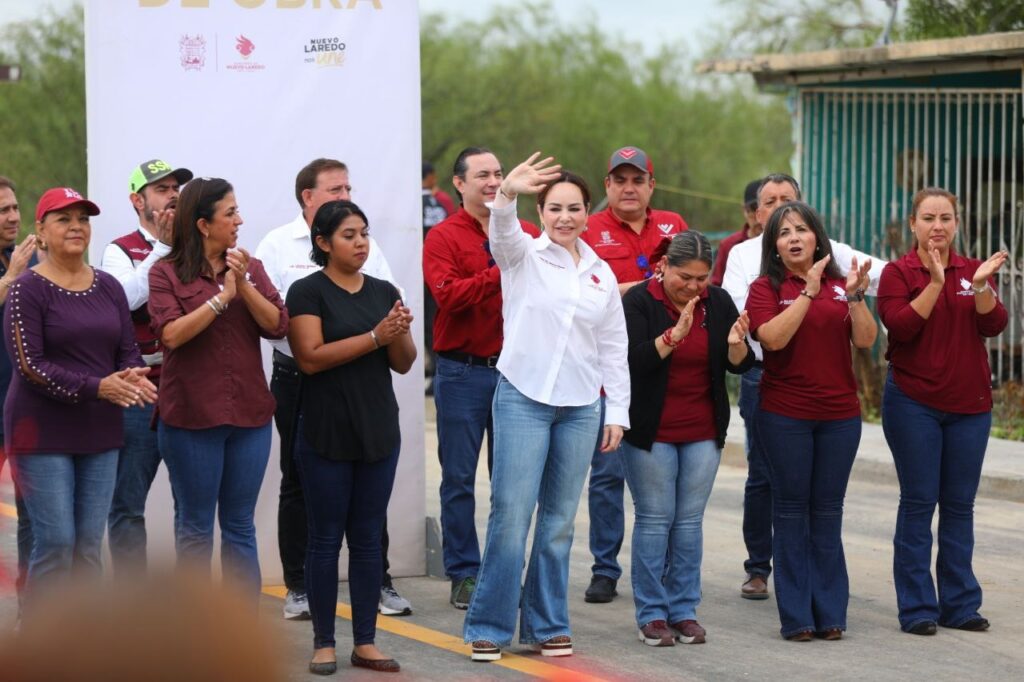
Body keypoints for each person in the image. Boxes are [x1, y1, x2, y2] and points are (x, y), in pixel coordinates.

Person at [463, 155, 629, 662]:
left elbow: (613, 348)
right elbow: (503, 230)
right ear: (541, 211)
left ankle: (547, 624)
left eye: (574, 209)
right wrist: (506, 193)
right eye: (554, 208)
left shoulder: (601, 274)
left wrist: (617, 412)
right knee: (511, 515)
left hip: (580, 408)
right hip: (523, 398)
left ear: (587, 213)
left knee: (558, 522)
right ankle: (488, 626)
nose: (565, 217)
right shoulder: (522, 256)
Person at [255, 158, 409, 620]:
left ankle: (377, 580)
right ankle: (299, 587)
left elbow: (400, 350)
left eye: (348, 188)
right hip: (300, 381)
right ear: (309, 197)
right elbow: (294, 335)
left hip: (368, 389)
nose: (345, 195)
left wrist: (394, 329)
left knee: (367, 502)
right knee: (299, 483)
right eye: (335, 189)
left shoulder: (377, 276)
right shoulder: (281, 248)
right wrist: (375, 336)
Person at [721, 173, 883, 600]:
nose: (791, 232)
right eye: (772, 206)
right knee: (770, 486)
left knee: (826, 509)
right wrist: (807, 294)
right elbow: (767, 337)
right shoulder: (752, 270)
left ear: (817, 236)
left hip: (836, 413)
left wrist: (855, 297)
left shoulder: (837, 277)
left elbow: (865, 339)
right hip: (772, 391)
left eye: (796, 216)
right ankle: (765, 575)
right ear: (760, 219)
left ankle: (829, 609)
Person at [4, 187, 156, 617]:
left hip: (99, 430)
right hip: (41, 431)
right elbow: (30, 366)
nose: (76, 226)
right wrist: (100, 388)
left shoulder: (107, 287)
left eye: (83, 219)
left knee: (88, 546)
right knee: (56, 542)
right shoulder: (27, 289)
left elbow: (127, 348)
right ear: (42, 231)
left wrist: (131, 375)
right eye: (63, 219)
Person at [287, 199, 416, 675]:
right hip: (326, 432)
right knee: (324, 540)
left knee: (366, 542)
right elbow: (310, 357)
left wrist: (397, 331)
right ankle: (324, 643)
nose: (360, 242)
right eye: (348, 234)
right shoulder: (307, 291)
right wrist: (376, 336)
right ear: (323, 243)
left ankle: (366, 642)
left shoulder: (384, 290)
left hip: (378, 430)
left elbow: (403, 361)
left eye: (364, 233)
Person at [148, 177, 287, 603]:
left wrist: (241, 285)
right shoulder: (165, 272)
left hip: (250, 417)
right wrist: (221, 299)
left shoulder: (249, 267)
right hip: (191, 418)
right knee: (195, 528)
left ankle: (239, 635)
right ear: (204, 224)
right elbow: (171, 335)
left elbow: (278, 324)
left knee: (240, 524)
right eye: (230, 213)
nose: (239, 220)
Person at [877, 188, 1008, 636]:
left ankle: (961, 605)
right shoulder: (898, 272)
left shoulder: (973, 270)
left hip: (969, 407)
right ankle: (917, 608)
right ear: (913, 223)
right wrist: (934, 283)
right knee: (918, 502)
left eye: (946, 218)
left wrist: (984, 286)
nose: (938, 226)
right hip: (914, 403)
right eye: (928, 218)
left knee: (959, 506)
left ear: (957, 223)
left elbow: (993, 323)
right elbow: (902, 327)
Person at [621, 231, 754, 647]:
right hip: (651, 429)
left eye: (702, 278)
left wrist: (736, 346)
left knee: (689, 523)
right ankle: (652, 614)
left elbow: (740, 364)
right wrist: (672, 337)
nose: (695, 286)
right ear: (663, 267)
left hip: (702, 429)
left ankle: (683, 610)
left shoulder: (718, 303)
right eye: (685, 277)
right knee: (656, 519)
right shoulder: (639, 302)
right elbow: (631, 361)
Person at [422, 147, 539, 610]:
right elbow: (448, 297)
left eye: (498, 174)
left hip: (514, 371)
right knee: (459, 478)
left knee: (511, 481)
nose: (493, 182)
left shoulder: (527, 232)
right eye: (483, 175)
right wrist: (502, 269)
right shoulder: (442, 238)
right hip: (463, 371)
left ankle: (504, 569)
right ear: (459, 183)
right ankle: (464, 573)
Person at [580, 146, 688, 604]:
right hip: (607, 370)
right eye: (619, 180)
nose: (629, 188)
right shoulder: (588, 229)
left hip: (664, 369)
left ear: (651, 185)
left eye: (637, 180)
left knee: (664, 478)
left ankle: (663, 566)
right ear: (607, 186)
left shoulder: (673, 226)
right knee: (607, 475)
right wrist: (643, 289)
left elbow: (690, 283)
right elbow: (585, 292)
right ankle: (605, 567)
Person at [100, 159, 193, 576]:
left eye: (176, 187)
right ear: (138, 200)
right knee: (127, 505)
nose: (173, 194)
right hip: (139, 391)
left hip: (186, 387)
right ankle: (132, 606)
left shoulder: (195, 244)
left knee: (191, 506)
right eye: (161, 188)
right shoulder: (119, 248)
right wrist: (162, 247)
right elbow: (125, 301)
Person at [0, 176, 37, 604]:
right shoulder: (16, 265)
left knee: (32, 518)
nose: (13, 216)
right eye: (3, 210)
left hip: (25, 409)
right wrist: (11, 277)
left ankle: (33, 614)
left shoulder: (23, 258)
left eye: (14, 207)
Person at [421, 162, 451, 393]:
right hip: (438, 271)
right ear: (430, 177)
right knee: (434, 320)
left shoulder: (413, 202)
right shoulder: (439, 203)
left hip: (416, 269)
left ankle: (431, 371)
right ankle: (436, 370)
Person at [710, 179, 761, 287]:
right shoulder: (728, 245)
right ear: (744, 209)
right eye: (752, 209)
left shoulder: (781, 244)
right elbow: (716, 285)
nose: (758, 217)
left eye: (762, 209)